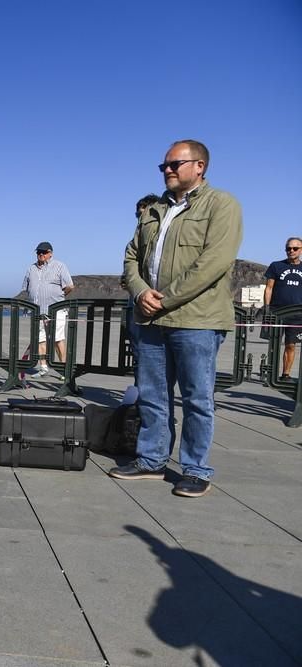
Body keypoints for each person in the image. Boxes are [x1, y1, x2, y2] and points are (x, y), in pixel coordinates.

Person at [110, 139, 243, 498]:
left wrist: (163, 299)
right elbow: (131, 258)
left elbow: (213, 264)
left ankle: (196, 469)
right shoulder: (153, 210)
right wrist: (140, 292)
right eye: (163, 166)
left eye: (175, 164)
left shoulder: (222, 205)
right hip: (150, 320)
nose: (167, 170)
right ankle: (151, 459)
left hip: (196, 320)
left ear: (199, 166)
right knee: (153, 394)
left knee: (197, 397)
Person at [21, 241, 73, 376]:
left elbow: (70, 286)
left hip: (56, 310)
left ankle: (63, 369)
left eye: (43, 252)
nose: (40, 255)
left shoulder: (59, 266)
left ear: (50, 253)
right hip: (38, 311)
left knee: (58, 339)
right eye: (38, 252)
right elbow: (26, 288)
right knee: (40, 338)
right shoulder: (31, 269)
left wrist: (59, 298)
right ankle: (43, 367)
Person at [125, 194, 162, 369]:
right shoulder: (134, 242)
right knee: (139, 353)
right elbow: (130, 265)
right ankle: (140, 388)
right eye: (138, 215)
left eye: (144, 214)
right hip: (136, 304)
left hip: (159, 305)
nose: (141, 219)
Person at [264, 237, 302, 381]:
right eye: (288, 248)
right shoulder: (276, 266)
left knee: (291, 345)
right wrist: (267, 308)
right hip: (277, 312)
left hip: (297, 314)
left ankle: (285, 374)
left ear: (301, 250)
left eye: (295, 248)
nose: (291, 251)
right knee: (273, 344)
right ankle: (270, 374)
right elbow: (269, 288)